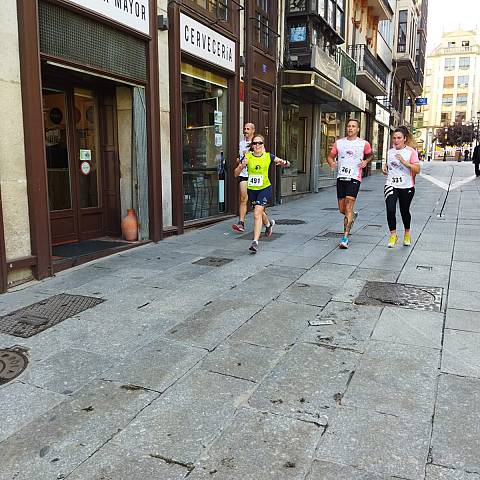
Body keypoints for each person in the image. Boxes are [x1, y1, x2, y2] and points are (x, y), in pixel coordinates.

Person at [234, 134, 290, 253]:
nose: (257, 145)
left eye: (260, 143)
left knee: (256, 213)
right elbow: (235, 173)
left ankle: (255, 242)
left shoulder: (268, 156)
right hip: (252, 189)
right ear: (252, 146)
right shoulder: (247, 157)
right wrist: (241, 167)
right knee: (259, 211)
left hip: (265, 188)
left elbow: (286, 163)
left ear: (263, 144)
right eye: (255, 143)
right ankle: (268, 225)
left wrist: (284, 163)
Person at [327, 118, 373, 249]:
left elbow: (371, 155)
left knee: (348, 207)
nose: (350, 128)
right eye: (348, 126)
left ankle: (345, 237)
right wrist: (331, 162)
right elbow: (330, 156)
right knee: (342, 209)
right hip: (341, 177)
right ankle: (352, 215)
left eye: (353, 126)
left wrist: (366, 162)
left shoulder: (363, 144)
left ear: (358, 129)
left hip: (354, 178)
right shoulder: (339, 143)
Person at [382, 126, 421, 248]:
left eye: (399, 138)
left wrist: (404, 162)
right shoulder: (390, 152)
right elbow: (390, 167)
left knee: (404, 211)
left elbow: (417, 169)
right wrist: (385, 169)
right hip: (391, 184)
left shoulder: (411, 152)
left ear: (404, 138)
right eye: (394, 138)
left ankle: (407, 233)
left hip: (406, 186)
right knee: (390, 209)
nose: (396, 140)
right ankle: (393, 235)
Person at [232, 122, 255, 232]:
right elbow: (238, 156)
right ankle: (241, 223)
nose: (245, 131)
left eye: (248, 129)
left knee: (256, 203)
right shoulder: (241, 143)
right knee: (243, 198)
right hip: (244, 174)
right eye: (244, 128)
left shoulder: (257, 143)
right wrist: (239, 160)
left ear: (252, 131)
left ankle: (266, 223)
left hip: (255, 175)